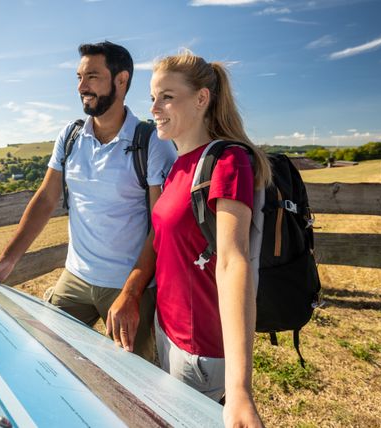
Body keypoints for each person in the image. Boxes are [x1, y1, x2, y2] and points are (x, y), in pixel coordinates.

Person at [0, 41, 177, 360]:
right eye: (79, 77)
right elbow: (46, 199)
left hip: (130, 287)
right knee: (45, 357)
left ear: (121, 80)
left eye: (93, 76)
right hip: (75, 277)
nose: (82, 86)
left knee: (138, 386)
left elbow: (160, 227)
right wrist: (8, 259)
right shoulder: (70, 136)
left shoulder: (151, 142)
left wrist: (131, 292)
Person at [109, 51, 269, 426]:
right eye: (151, 98)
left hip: (199, 349)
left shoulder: (228, 163)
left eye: (166, 96)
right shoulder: (181, 163)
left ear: (201, 99)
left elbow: (233, 262)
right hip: (168, 331)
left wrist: (240, 389)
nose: (155, 108)